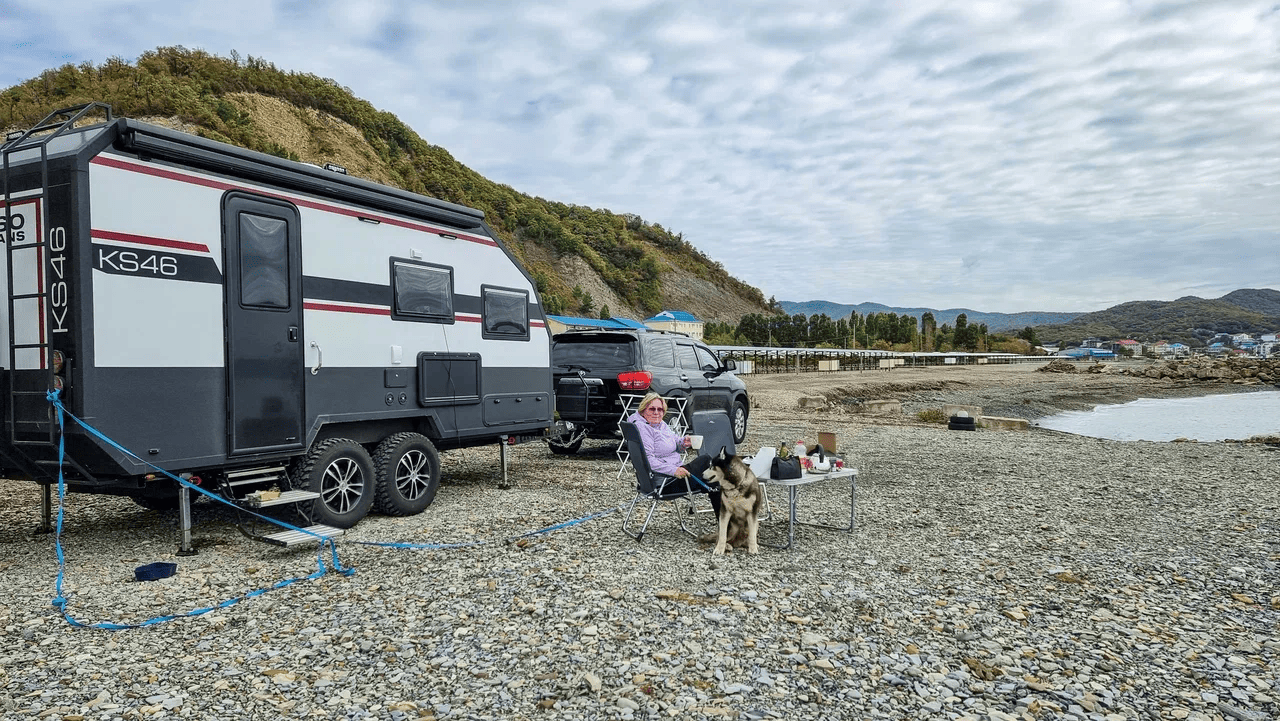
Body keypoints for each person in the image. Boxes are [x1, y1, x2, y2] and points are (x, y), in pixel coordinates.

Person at [626, 391, 721, 515]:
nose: (656, 412)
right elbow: (647, 461)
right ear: (643, 411)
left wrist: (683, 443)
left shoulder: (660, 424)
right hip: (665, 482)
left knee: (714, 480)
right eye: (652, 409)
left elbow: (674, 441)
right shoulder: (644, 428)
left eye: (660, 409)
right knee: (706, 460)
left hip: (673, 476)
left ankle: (726, 523)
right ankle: (727, 524)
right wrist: (674, 470)